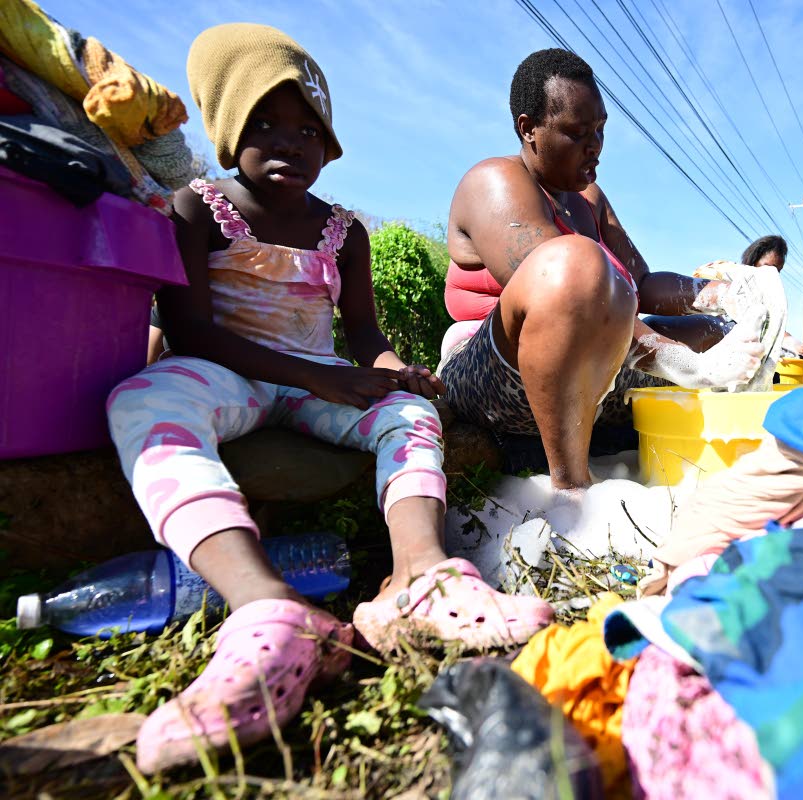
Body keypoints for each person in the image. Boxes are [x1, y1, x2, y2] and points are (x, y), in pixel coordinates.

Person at [106, 24, 554, 774]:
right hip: (228, 373)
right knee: (142, 402)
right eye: (266, 124)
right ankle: (265, 609)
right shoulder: (197, 207)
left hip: (317, 380)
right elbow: (190, 333)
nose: (291, 142)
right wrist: (319, 377)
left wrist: (394, 370)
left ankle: (419, 574)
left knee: (409, 416)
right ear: (224, 130)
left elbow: (364, 338)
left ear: (332, 139)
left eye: (308, 128)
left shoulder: (342, 233)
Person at [439, 49, 767, 490]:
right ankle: (571, 490)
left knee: (715, 330)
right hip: (496, 374)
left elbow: (644, 284)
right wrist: (686, 364)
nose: (594, 145)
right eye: (576, 133)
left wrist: (726, 295)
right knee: (577, 263)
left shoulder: (589, 198)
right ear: (528, 129)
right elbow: (569, 293)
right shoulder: (494, 182)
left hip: (597, 367)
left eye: (600, 129)